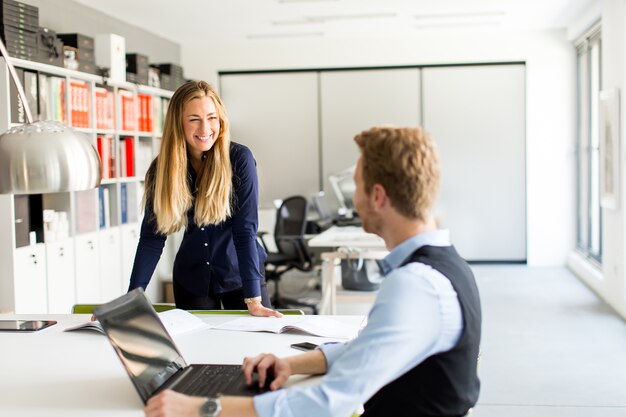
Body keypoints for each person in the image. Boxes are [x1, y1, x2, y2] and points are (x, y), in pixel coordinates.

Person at [144, 126, 482, 417]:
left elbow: (329, 401)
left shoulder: (414, 285)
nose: (354, 201)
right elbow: (366, 348)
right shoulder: (444, 268)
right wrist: (290, 365)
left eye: (358, 186)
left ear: (378, 196)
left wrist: (203, 407)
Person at [127, 80, 281, 318]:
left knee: (252, 347)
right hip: (192, 278)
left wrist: (253, 299)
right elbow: (151, 239)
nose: (205, 128)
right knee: (196, 350)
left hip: (241, 275)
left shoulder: (239, 159)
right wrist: (132, 298)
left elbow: (245, 231)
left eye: (212, 117)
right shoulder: (163, 169)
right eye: (194, 119)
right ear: (178, 123)